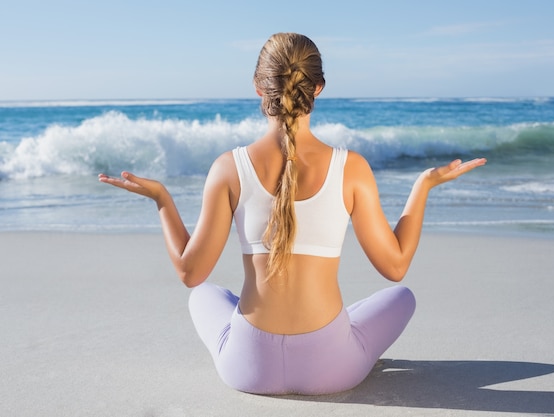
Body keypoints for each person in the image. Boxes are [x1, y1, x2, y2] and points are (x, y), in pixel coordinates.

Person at [98, 32, 486, 395]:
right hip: (333, 370)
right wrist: (423, 186)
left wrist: (162, 199)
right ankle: (338, 329)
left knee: (204, 294)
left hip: (248, 369)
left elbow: (190, 272)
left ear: (258, 87)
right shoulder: (351, 169)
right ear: (317, 88)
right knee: (402, 296)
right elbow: (395, 266)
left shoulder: (228, 168)